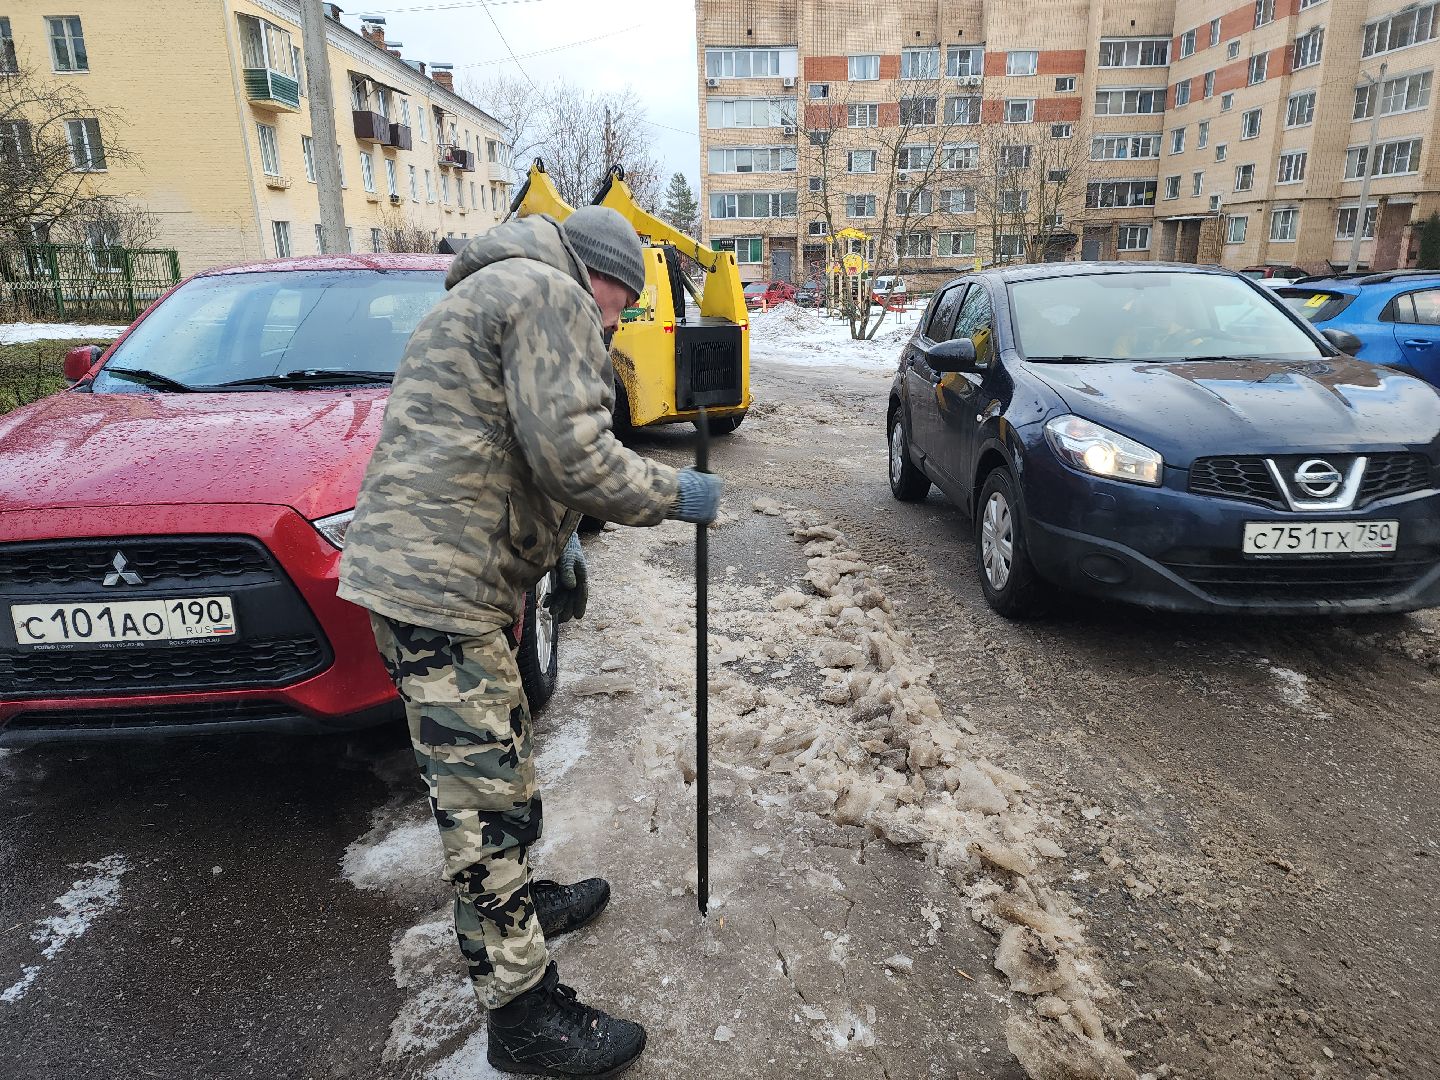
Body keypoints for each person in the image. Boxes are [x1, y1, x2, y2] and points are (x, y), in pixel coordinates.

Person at [337, 205, 722, 1078]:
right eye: (623, 306)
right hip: (441, 586)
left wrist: (561, 540)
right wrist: (675, 495)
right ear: (605, 278)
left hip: (439, 574)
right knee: (481, 800)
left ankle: (519, 904)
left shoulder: (499, 286)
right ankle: (523, 1017)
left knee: (498, 761)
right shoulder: (552, 294)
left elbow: (503, 436)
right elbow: (573, 456)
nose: (616, 324)